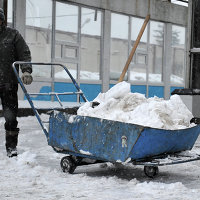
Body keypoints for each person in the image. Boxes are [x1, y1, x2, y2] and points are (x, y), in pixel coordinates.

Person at [0, 8, 33, 157]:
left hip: (8, 83)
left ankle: (11, 147)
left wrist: (26, 70)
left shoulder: (13, 35)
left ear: (2, 20)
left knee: (11, 117)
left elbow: (24, 53)